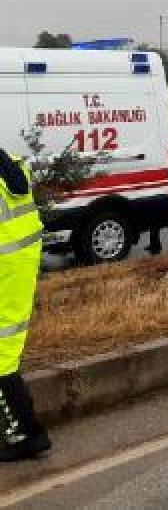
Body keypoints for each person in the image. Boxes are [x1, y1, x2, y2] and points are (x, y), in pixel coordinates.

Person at [0, 147, 51, 462]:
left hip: (6, 268)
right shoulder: (13, 163)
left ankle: (25, 435)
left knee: (2, 358)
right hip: (19, 265)